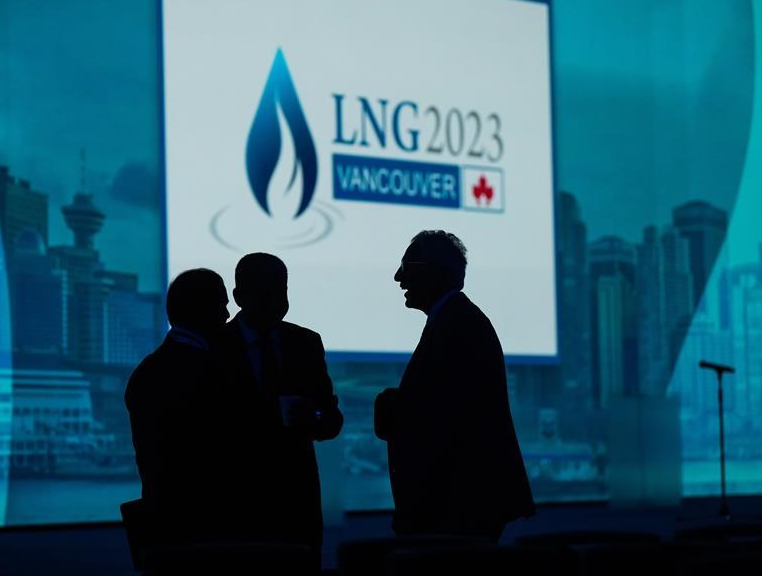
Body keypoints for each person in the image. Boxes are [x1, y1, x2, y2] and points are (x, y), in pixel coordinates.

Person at [375, 230, 534, 542]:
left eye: (406, 267)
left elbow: (446, 417)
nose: (398, 277)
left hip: (455, 504)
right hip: (457, 501)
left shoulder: (458, 324)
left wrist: (395, 408)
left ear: (433, 272)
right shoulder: (455, 320)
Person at [218, 252, 343, 552]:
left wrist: (312, 415)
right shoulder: (214, 346)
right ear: (239, 296)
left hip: (297, 506)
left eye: (281, 289)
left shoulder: (306, 344)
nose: (276, 299)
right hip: (235, 506)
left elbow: (330, 419)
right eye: (266, 291)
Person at [124, 268, 233, 545]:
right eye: (221, 305)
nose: (227, 315)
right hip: (209, 525)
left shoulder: (147, 371)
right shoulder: (213, 371)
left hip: (166, 526)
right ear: (201, 310)